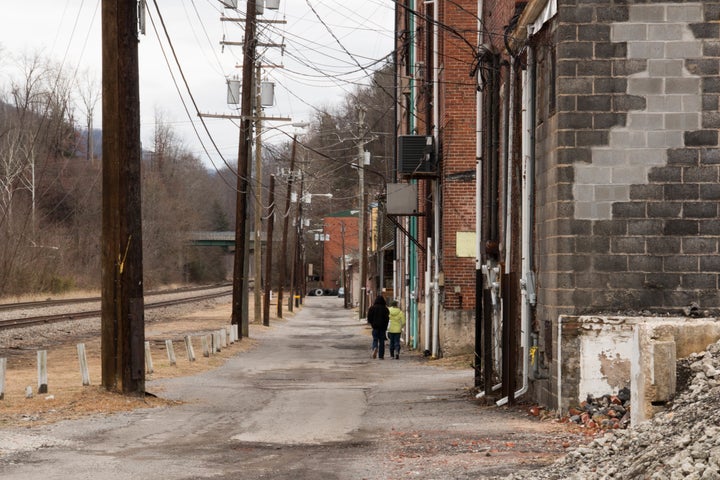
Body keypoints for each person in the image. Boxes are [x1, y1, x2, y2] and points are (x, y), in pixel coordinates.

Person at [366, 295, 389, 359]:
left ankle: (375, 347)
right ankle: (381, 356)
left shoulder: (372, 308)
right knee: (382, 341)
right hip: (382, 328)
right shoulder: (385, 309)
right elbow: (387, 318)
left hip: (375, 327)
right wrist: (386, 326)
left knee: (375, 339)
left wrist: (372, 323)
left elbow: (369, 317)